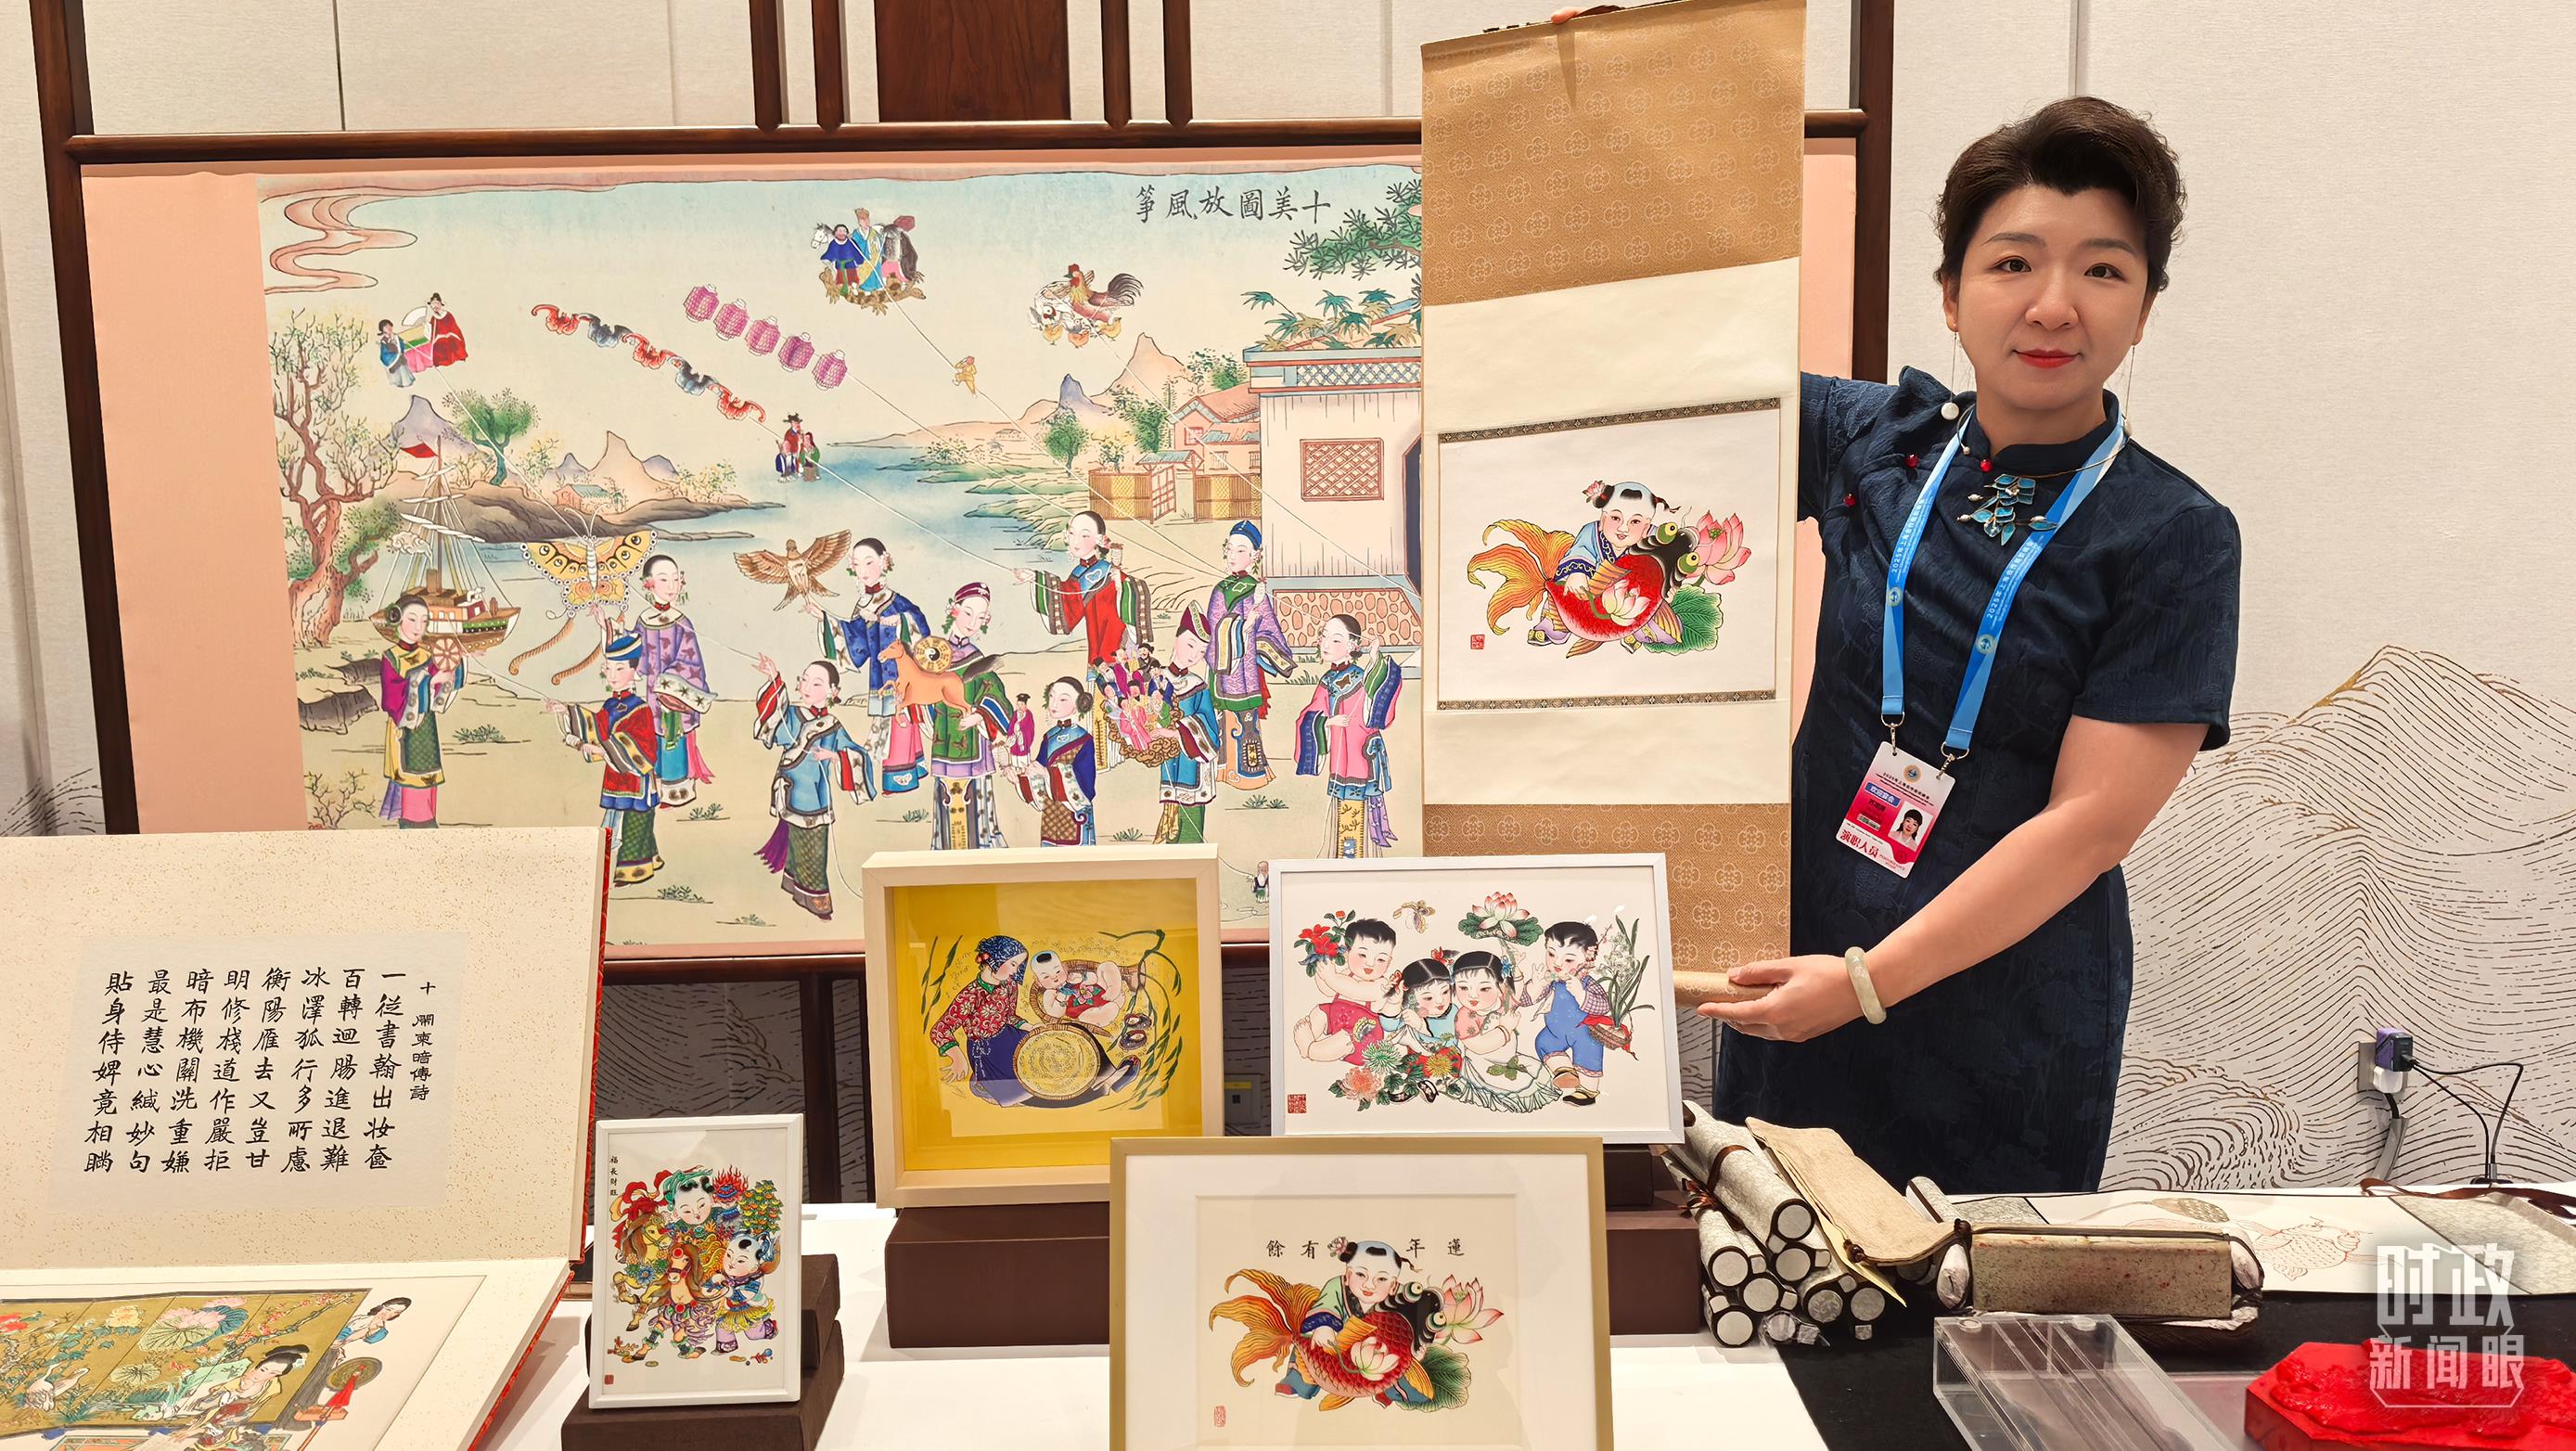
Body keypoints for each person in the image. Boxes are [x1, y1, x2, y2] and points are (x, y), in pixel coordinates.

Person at [1706, 97, 2241, 1194]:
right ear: (1950, 295)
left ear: (2143, 309)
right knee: (1772, 1268)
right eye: (2012, 263)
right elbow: (1652, 375)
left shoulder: (2173, 535)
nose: (2052, 305)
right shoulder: (1870, 441)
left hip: (2003, 1010)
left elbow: (2089, 826)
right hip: (1798, 963)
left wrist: (1865, 982)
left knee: (1974, 1287)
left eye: (2102, 270)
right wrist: (1619, 90)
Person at [1016, 510, 1150, 770]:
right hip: (1097, 650)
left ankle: (1130, 751)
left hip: (1119, 647)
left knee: (1124, 699)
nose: (1075, 540)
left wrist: (1121, 586)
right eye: (1072, 533)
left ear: (1100, 540)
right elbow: (1068, 605)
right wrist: (1036, 578)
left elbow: (1134, 595)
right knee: (1101, 703)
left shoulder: (1110, 571)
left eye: (1084, 535)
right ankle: (1106, 759)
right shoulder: (1078, 575)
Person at [750, 656, 876, 919]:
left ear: (833, 691)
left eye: (817, 684)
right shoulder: (793, 715)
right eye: (804, 680)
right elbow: (774, 724)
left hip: (816, 796)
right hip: (790, 788)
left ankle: (818, 901)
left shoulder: (833, 725)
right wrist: (774, 678)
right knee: (797, 845)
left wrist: (833, 756)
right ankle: (798, 891)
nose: (807, 687)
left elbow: (856, 754)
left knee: (815, 849)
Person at [806, 536, 929, 786]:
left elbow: (919, 626)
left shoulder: (895, 600)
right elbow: (856, 638)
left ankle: (902, 779)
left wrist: (894, 621)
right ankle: (891, 778)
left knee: (901, 723)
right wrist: (825, 619)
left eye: (869, 562)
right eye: (856, 564)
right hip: (879, 676)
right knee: (886, 725)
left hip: (901, 677)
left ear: (884, 562)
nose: (862, 571)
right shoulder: (864, 603)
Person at [548, 631, 663, 884]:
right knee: (616, 822)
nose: (612, 676)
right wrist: (565, 710)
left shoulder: (641, 709)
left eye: (619, 669)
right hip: (616, 776)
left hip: (636, 780)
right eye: (609, 669)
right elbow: (598, 727)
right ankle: (637, 864)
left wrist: (604, 750)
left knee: (634, 823)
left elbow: (645, 748)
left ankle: (633, 872)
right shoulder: (611, 705)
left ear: (634, 671)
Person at [1296, 615, 1402, 859]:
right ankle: (1344, 862)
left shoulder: (1362, 678)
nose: (1325, 644)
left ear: (1352, 645)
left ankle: (1357, 863)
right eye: (1324, 636)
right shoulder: (1327, 680)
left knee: (1356, 819)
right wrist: (1326, 722)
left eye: (1335, 640)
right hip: (1339, 761)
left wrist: (1375, 660)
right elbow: (1309, 715)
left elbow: (1379, 715)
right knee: (1344, 818)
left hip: (1361, 756)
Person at [923, 583, 1016, 851]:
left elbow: (997, 696)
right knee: (946, 795)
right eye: (968, 613)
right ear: (954, 610)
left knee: (975, 796)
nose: (973, 623)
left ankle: (982, 845)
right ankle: (944, 847)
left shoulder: (977, 658)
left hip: (975, 741)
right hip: (944, 738)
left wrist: (980, 716)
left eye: (981, 617)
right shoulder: (934, 655)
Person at [1204, 520, 1295, 787]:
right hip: (1224, 667)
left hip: (1247, 671)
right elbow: (1213, 629)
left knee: (1247, 723)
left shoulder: (1257, 591)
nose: (1233, 556)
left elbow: (1270, 630)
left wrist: (1256, 630)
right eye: (1230, 549)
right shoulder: (1220, 590)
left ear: (1255, 555)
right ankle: (1223, 771)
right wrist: (1243, 627)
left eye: (1241, 550)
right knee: (1222, 720)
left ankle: (1250, 775)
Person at [622, 555, 714, 809]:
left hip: (674, 698)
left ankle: (676, 793)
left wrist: (670, 684)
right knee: (655, 737)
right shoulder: (644, 620)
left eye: (675, 579)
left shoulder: (682, 622)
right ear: (649, 583)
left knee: (673, 737)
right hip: (653, 695)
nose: (672, 586)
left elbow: (691, 661)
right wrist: (614, 631)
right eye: (664, 580)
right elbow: (636, 653)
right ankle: (657, 790)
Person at [376, 593, 455, 828]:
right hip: (405, 729)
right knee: (411, 783)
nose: (418, 627)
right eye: (412, 619)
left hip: (426, 729)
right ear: (397, 618)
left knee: (429, 780)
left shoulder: (427, 655)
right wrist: (428, 681)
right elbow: (392, 700)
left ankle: (429, 820)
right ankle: (414, 823)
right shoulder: (391, 658)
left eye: (424, 621)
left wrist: (452, 668)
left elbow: (439, 691)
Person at [930, 935, 1036, 1107]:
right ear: (996, 959)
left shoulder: (1009, 984)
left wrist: (1029, 1026)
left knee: (1038, 1060)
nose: (1015, 971)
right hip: (985, 1050)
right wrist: (958, 1057)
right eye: (1013, 964)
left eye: (1018, 965)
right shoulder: (971, 995)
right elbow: (940, 1029)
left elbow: (1010, 1016)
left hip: (1009, 1036)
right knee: (1016, 1090)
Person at [1147, 609, 1222, 843]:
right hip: (1168, 761)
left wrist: (1174, 732)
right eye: (1190, 645)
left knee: (1190, 826)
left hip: (1193, 763)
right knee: (1171, 820)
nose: (1194, 655)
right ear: (1177, 638)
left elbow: (1211, 730)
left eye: (1201, 651)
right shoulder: (1156, 680)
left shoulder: (1197, 685)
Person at [1015, 676, 1099, 846]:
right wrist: (1021, 777)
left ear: (1079, 703)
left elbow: (1086, 785)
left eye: (1063, 700)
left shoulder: (1084, 739)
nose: (1054, 704)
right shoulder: (1049, 736)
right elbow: (1039, 768)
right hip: (1051, 812)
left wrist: (1048, 774)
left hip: (1073, 813)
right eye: (1052, 696)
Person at [425, 293, 466, 367]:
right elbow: (433, 332)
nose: (435, 306)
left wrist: (448, 334)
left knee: (449, 343)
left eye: (437, 303)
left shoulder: (448, 315)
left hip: (451, 337)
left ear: (441, 304)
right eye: (433, 304)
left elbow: (454, 328)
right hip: (439, 339)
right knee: (436, 346)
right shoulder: (434, 318)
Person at [377, 319, 414, 388]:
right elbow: (384, 355)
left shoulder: (396, 337)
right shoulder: (384, 341)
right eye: (386, 327)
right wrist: (394, 354)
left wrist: (399, 344)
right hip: (393, 360)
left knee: (404, 371)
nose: (389, 328)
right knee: (398, 373)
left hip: (400, 358)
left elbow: (401, 346)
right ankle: (399, 383)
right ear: (383, 330)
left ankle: (406, 382)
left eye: (389, 326)